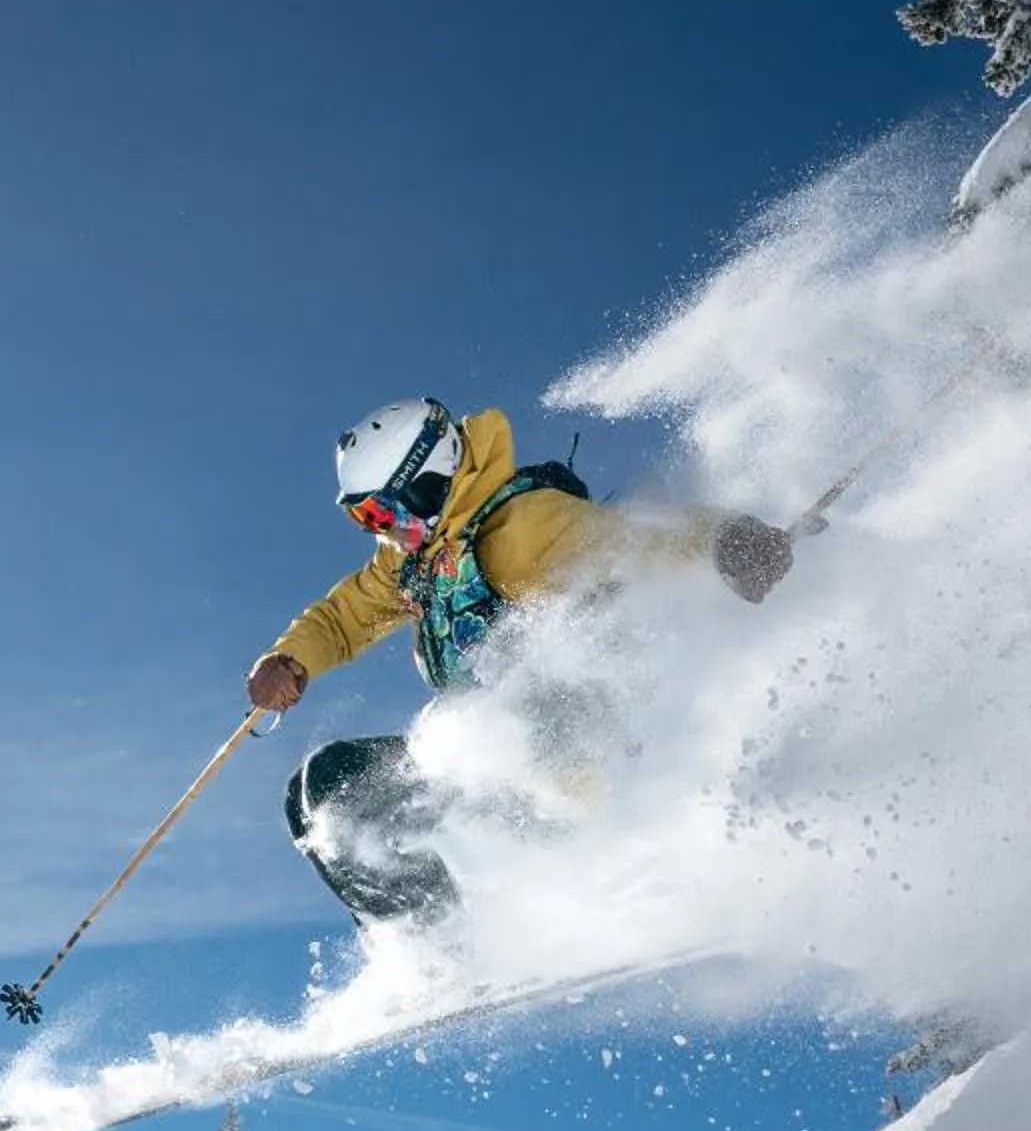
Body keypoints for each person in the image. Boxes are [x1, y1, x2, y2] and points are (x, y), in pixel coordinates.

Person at [247, 396, 794, 924]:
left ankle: (574, 891)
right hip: (497, 765)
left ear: (429, 482)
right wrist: (290, 659)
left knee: (505, 719)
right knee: (325, 791)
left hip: (588, 750)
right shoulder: (415, 560)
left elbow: (635, 540)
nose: (382, 528)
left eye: (383, 511)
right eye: (364, 519)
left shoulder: (525, 529)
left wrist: (729, 541)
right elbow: (345, 616)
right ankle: (431, 943)